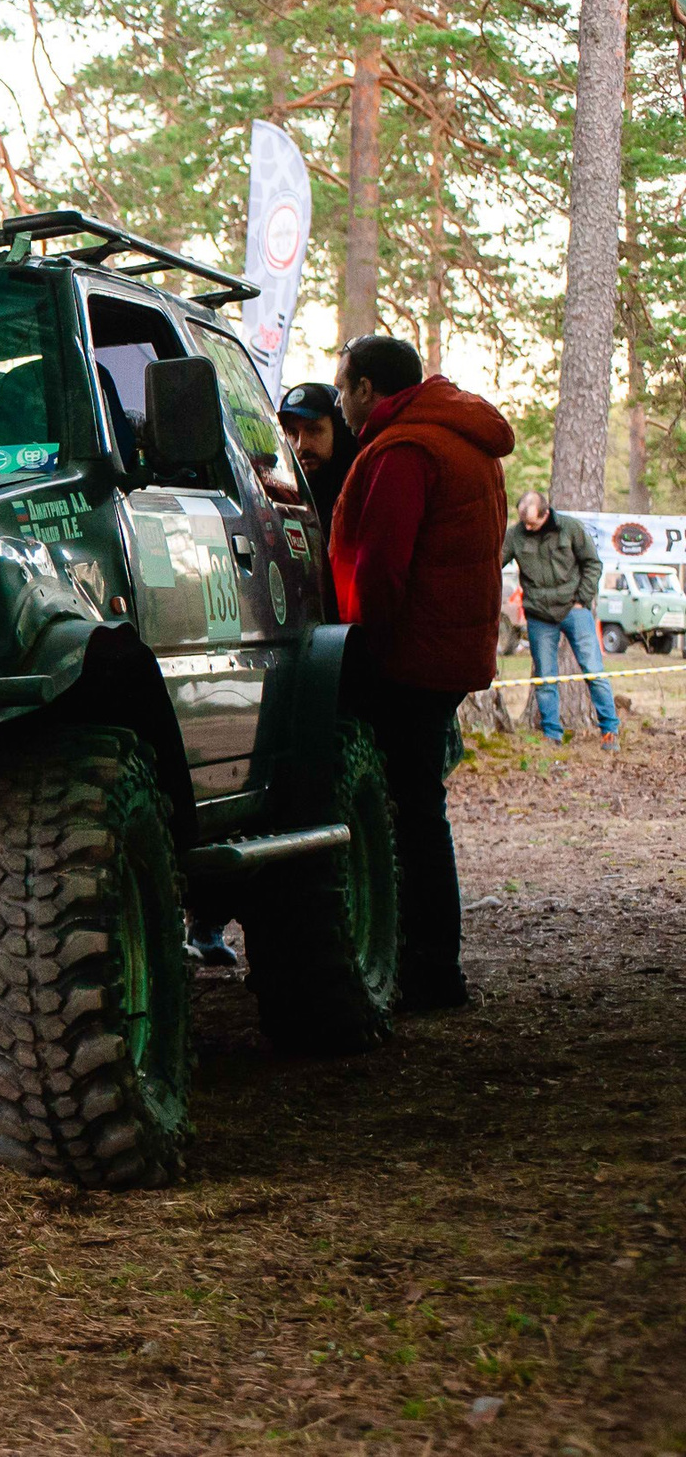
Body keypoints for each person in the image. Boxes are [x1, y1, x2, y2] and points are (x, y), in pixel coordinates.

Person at [328, 334, 512, 1012]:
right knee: (417, 804)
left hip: (410, 653)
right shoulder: (457, 437)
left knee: (411, 810)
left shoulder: (407, 448)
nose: (341, 400)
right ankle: (429, 963)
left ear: (370, 389)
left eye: (344, 386)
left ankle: (432, 969)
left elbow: (381, 563)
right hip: (446, 649)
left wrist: (363, 647)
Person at [500, 490, 618, 747]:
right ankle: (552, 733)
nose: (528, 527)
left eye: (532, 522)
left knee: (594, 670)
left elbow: (592, 564)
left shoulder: (571, 528)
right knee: (545, 676)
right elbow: (494, 562)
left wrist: (582, 599)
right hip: (539, 615)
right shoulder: (515, 534)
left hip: (573, 610)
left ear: (546, 513)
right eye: (524, 522)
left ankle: (610, 729)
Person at [276, 381, 359, 516]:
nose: (301, 445)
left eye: (313, 430)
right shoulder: (283, 494)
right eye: (292, 432)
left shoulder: (358, 492)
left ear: (338, 430)